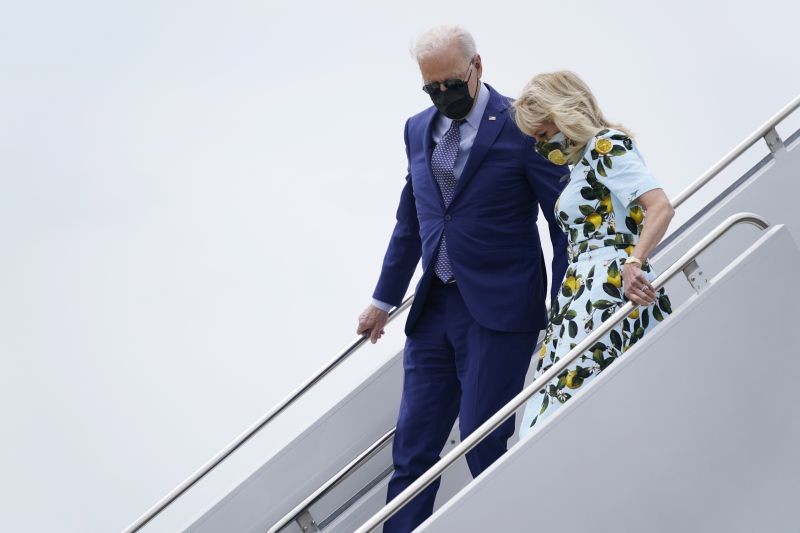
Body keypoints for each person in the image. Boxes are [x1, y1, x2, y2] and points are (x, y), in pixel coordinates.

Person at [355, 26, 569, 532]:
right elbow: (412, 220)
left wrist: (564, 300)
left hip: (499, 310)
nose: (442, 96)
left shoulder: (523, 124)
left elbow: (562, 220)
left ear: (477, 67)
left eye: (450, 84)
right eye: (431, 88)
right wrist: (383, 299)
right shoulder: (414, 129)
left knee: (482, 438)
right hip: (434, 311)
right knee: (412, 449)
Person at [511, 71, 675, 437]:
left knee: (560, 414)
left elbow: (660, 206)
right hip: (581, 295)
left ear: (566, 112)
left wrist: (634, 260)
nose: (541, 145)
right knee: (551, 411)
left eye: (542, 133)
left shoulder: (605, 146)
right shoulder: (583, 162)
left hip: (606, 289)